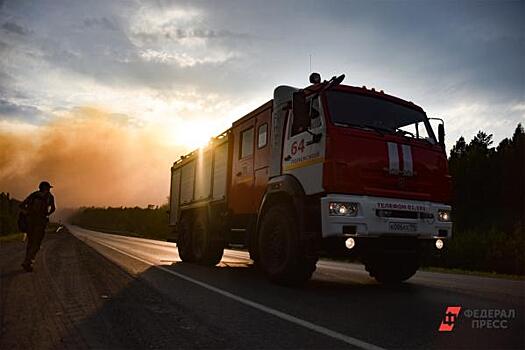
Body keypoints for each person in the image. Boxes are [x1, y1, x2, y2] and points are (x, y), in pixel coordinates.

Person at [19, 181, 56, 272]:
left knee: (30, 242)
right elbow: (53, 208)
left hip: (30, 221)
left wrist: (27, 213)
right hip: (41, 222)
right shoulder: (49, 197)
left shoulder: (34, 195)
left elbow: (22, 205)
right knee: (37, 243)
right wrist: (47, 214)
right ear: (46, 188)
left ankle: (27, 260)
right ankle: (29, 261)